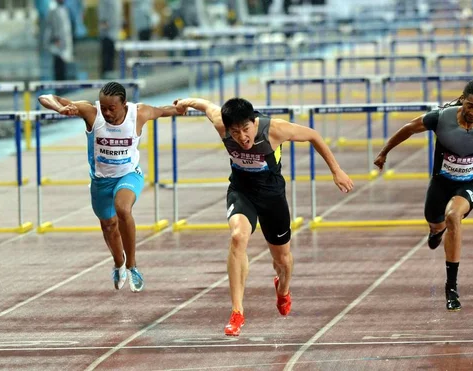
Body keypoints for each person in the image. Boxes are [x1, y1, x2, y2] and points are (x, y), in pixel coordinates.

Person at [174, 97, 354, 336]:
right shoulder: (221, 124)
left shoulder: (275, 129)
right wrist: (185, 102)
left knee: (283, 261)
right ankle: (237, 312)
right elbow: (207, 106)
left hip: (272, 197)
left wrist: (336, 170)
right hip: (241, 191)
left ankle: (283, 289)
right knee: (238, 238)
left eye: (245, 129)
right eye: (235, 132)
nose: (241, 137)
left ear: (254, 122)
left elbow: (313, 135)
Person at [374, 80, 473, 311]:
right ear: (462, 100)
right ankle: (435, 232)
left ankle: (451, 287)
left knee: (453, 217)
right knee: (437, 223)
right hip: (440, 184)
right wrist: (383, 153)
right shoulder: (440, 117)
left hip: (468, 184)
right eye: (470, 106)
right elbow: (408, 128)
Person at [38, 82, 179, 292]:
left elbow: (165, 111)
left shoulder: (139, 113)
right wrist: (60, 108)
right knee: (109, 226)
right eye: (103, 107)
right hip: (100, 180)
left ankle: (132, 266)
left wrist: (183, 106)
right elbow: (46, 97)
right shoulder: (91, 113)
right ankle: (119, 263)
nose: (106, 113)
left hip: (129, 175)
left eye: (112, 108)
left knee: (123, 208)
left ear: (124, 104)